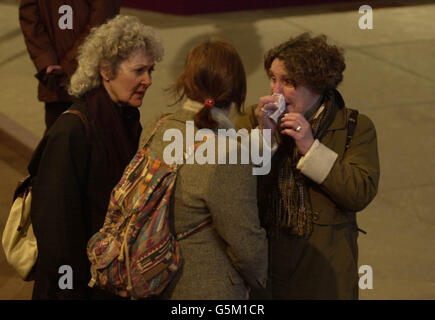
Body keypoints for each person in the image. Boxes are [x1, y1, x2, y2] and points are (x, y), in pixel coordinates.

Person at [235, 33, 380, 299]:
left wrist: (310, 148)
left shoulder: (355, 127)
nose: (275, 91)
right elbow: (232, 188)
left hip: (324, 277)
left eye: (289, 82)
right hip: (266, 274)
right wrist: (264, 138)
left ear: (318, 85)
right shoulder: (253, 119)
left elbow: (359, 192)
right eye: (273, 78)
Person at [28, 15, 164, 299]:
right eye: (138, 70)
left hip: (107, 279)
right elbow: (55, 230)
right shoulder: (71, 132)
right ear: (105, 70)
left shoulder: (126, 119)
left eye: (150, 70)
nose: (148, 80)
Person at [141, 39, 268, 299]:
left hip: (153, 280)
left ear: (186, 81)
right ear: (236, 89)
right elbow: (244, 243)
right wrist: (262, 279)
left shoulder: (156, 128)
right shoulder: (228, 153)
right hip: (207, 290)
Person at [19, 0, 121, 130]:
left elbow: (101, 23)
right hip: (69, 82)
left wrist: (50, 64)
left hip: (74, 80)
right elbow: (102, 22)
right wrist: (56, 66)